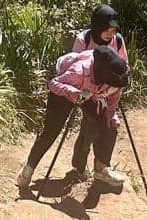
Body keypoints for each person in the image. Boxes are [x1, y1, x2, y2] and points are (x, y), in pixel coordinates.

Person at [16, 45, 130, 192]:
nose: (115, 86)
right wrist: (72, 92)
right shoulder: (78, 71)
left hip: (90, 94)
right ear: (103, 75)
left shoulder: (119, 74)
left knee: (109, 126)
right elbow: (53, 84)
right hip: (65, 89)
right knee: (51, 132)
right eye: (112, 82)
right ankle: (28, 168)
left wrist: (110, 115)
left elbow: (115, 95)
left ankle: (101, 169)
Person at [69, 5, 129, 179]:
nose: (111, 34)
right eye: (107, 30)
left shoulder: (117, 40)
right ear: (98, 27)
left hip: (109, 91)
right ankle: (79, 167)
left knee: (111, 126)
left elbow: (124, 64)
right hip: (87, 91)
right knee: (90, 124)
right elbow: (75, 67)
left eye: (113, 30)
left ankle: (101, 167)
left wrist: (118, 82)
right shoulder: (84, 39)